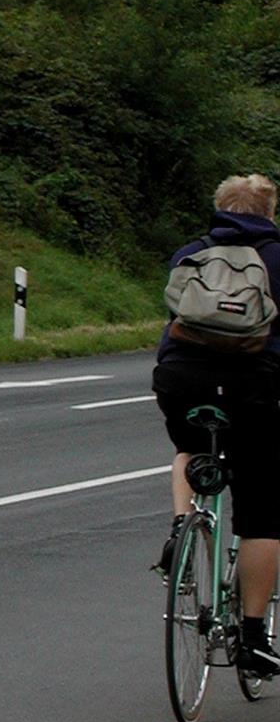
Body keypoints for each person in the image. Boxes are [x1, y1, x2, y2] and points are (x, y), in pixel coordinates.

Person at [153, 173, 280, 677]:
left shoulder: (192, 252)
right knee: (263, 511)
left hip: (182, 379)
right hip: (254, 386)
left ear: (221, 207)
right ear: (270, 212)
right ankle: (252, 637)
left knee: (189, 447)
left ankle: (182, 526)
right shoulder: (277, 257)